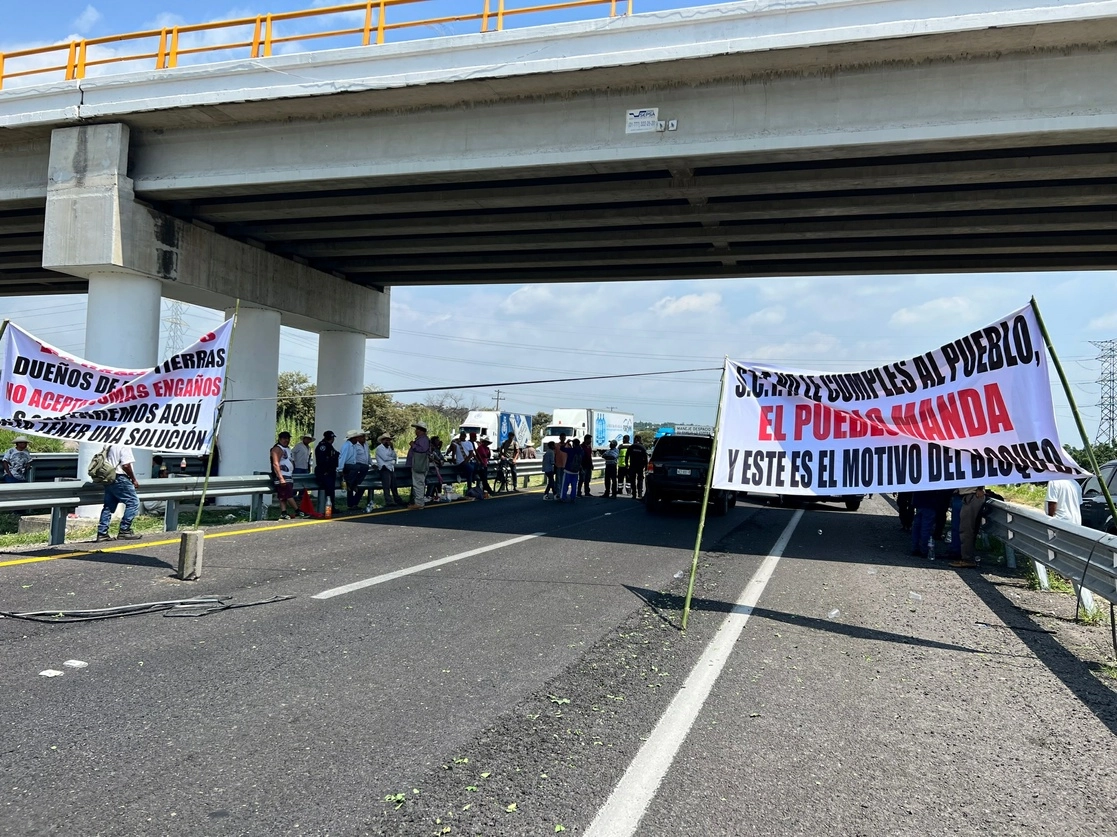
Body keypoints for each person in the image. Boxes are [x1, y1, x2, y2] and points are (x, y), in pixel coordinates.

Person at [95, 444, 142, 542]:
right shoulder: (124, 445)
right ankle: (124, 530)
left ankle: (102, 533)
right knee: (133, 502)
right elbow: (126, 465)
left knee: (108, 506)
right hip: (120, 477)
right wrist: (133, 479)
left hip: (109, 477)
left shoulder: (109, 445)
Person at [952, 485, 987, 568]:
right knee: (965, 528)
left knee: (966, 528)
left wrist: (980, 489)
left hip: (973, 495)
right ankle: (965, 557)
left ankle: (967, 559)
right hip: (968, 495)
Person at [338, 429, 371, 513]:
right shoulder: (347, 446)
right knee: (355, 469)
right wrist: (340, 469)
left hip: (353, 465)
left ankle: (354, 484)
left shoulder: (353, 445)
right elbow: (342, 457)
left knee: (364, 467)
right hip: (348, 465)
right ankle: (350, 485)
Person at [270, 431, 301, 520]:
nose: (286, 440)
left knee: (282, 495)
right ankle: (298, 511)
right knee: (289, 495)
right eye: (284, 438)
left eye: (288, 438)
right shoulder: (277, 449)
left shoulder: (287, 448)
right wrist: (280, 478)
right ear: (279, 439)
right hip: (282, 475)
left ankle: (283, 512)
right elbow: (275, 463)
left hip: (288, 475)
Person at [406, 421, 432, 508]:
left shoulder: (423, 439)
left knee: (418, 484)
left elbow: (422, 449)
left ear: (421, 430)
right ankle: (418, 501)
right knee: (418, 483)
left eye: (417, 429)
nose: (415, 431)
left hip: (419, 465)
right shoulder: (422, 439)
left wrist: (413, 445)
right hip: (418, 464)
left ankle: (419, 503)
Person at [374, 433, 404, 507]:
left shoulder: (390, 448)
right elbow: (385, 458)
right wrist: (392, 459)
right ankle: (389, 501)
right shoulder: (379, 448)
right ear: (382, 441)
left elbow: (395, 456)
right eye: (386, 440)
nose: (388, 442)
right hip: (384, 468)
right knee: (386, 486)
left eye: (389, 440)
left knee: (394, 485)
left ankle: (397, 499)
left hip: (390, 468)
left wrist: (392, 450)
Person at [314, 430, 340, 512]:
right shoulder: (324, 446)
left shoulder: (327, 445)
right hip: (326, 472)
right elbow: (323, 461)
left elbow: (336, 454)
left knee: (330, 490)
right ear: (331, 438)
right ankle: (329, 508)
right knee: (329, 490)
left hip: (329, 471)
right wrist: (326, 470)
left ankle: (331, 507)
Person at [909, 490, 938, 558]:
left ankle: (915, 548)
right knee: (926, 527)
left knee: (917, 526)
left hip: (918, 500)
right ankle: (925, 550)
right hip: (930, 501)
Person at [292, 433, 314, 505]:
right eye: (306, 439)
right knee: (296, 481)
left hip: (305, 466)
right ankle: (293, 495)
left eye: (309, 439)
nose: (308, 440)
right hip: (298, 466)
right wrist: (293, 461)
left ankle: (301, 495)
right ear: (304, 439)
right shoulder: (298, 446)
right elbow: (292, 452)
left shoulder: (309, 448)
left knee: (304, 482)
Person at [561, 437, 581, 503]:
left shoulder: (570, 450)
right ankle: (573, 497)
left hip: (568, 470)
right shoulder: (581, 451)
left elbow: (562, 448)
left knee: (565, 485)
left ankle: (563, 497)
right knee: (574, 485)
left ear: (574, 444)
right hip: (576, 471)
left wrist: (566, 442)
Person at [628, 435, 649, 499]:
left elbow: (627, 456)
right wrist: (646, 466)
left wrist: (626, 464)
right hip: (640, 466)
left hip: (633, 466)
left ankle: (634, 494)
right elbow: (645, 458)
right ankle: (639, 493)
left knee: (632, 480)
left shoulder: (631, 447)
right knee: (640, 480)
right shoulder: (642, 447)